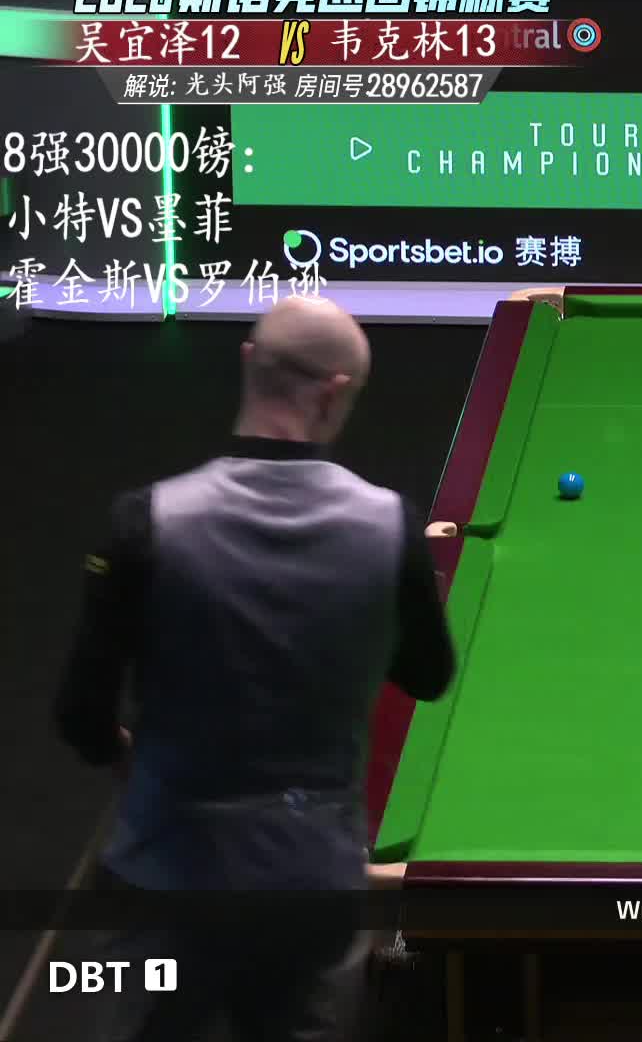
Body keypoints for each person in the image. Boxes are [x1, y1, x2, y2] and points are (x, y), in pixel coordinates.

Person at [53, 296, 457, 1041]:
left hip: (166, 878)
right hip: (311, 884)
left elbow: (80, 714)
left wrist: (120, 750)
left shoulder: (145, 520)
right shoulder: (389, 525)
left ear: (248, 363)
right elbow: (429, 676)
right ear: (336, 393)